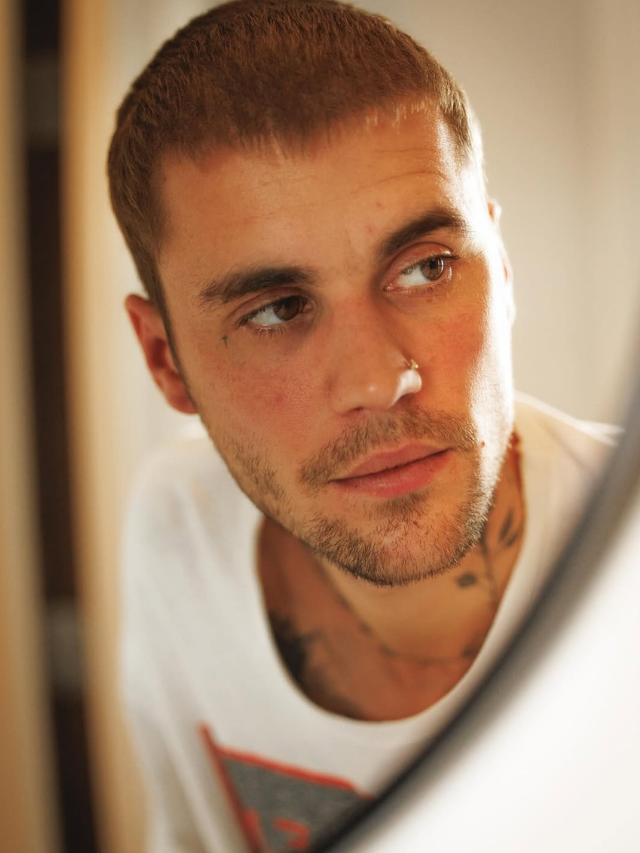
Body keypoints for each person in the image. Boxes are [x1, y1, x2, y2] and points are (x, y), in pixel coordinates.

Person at [108, 2, 617, 850]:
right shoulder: (175, 530)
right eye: (277, 309)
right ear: (166, 360)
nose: (381, 380)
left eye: (426, 267)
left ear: (502, 269)